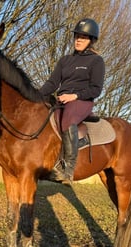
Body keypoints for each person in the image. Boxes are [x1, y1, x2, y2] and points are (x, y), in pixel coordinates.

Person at [39, 18, 105, 184]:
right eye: (77, 36)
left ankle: (67, 170)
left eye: (84, 37)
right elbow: (52, 84)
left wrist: (74, 96)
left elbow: (96, 89)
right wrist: (34, 95)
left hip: (81, 100)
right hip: (62, 100)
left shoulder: (96, 61)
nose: (79, 39)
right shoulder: (65, 60)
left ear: (91, 40)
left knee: (68, 119)